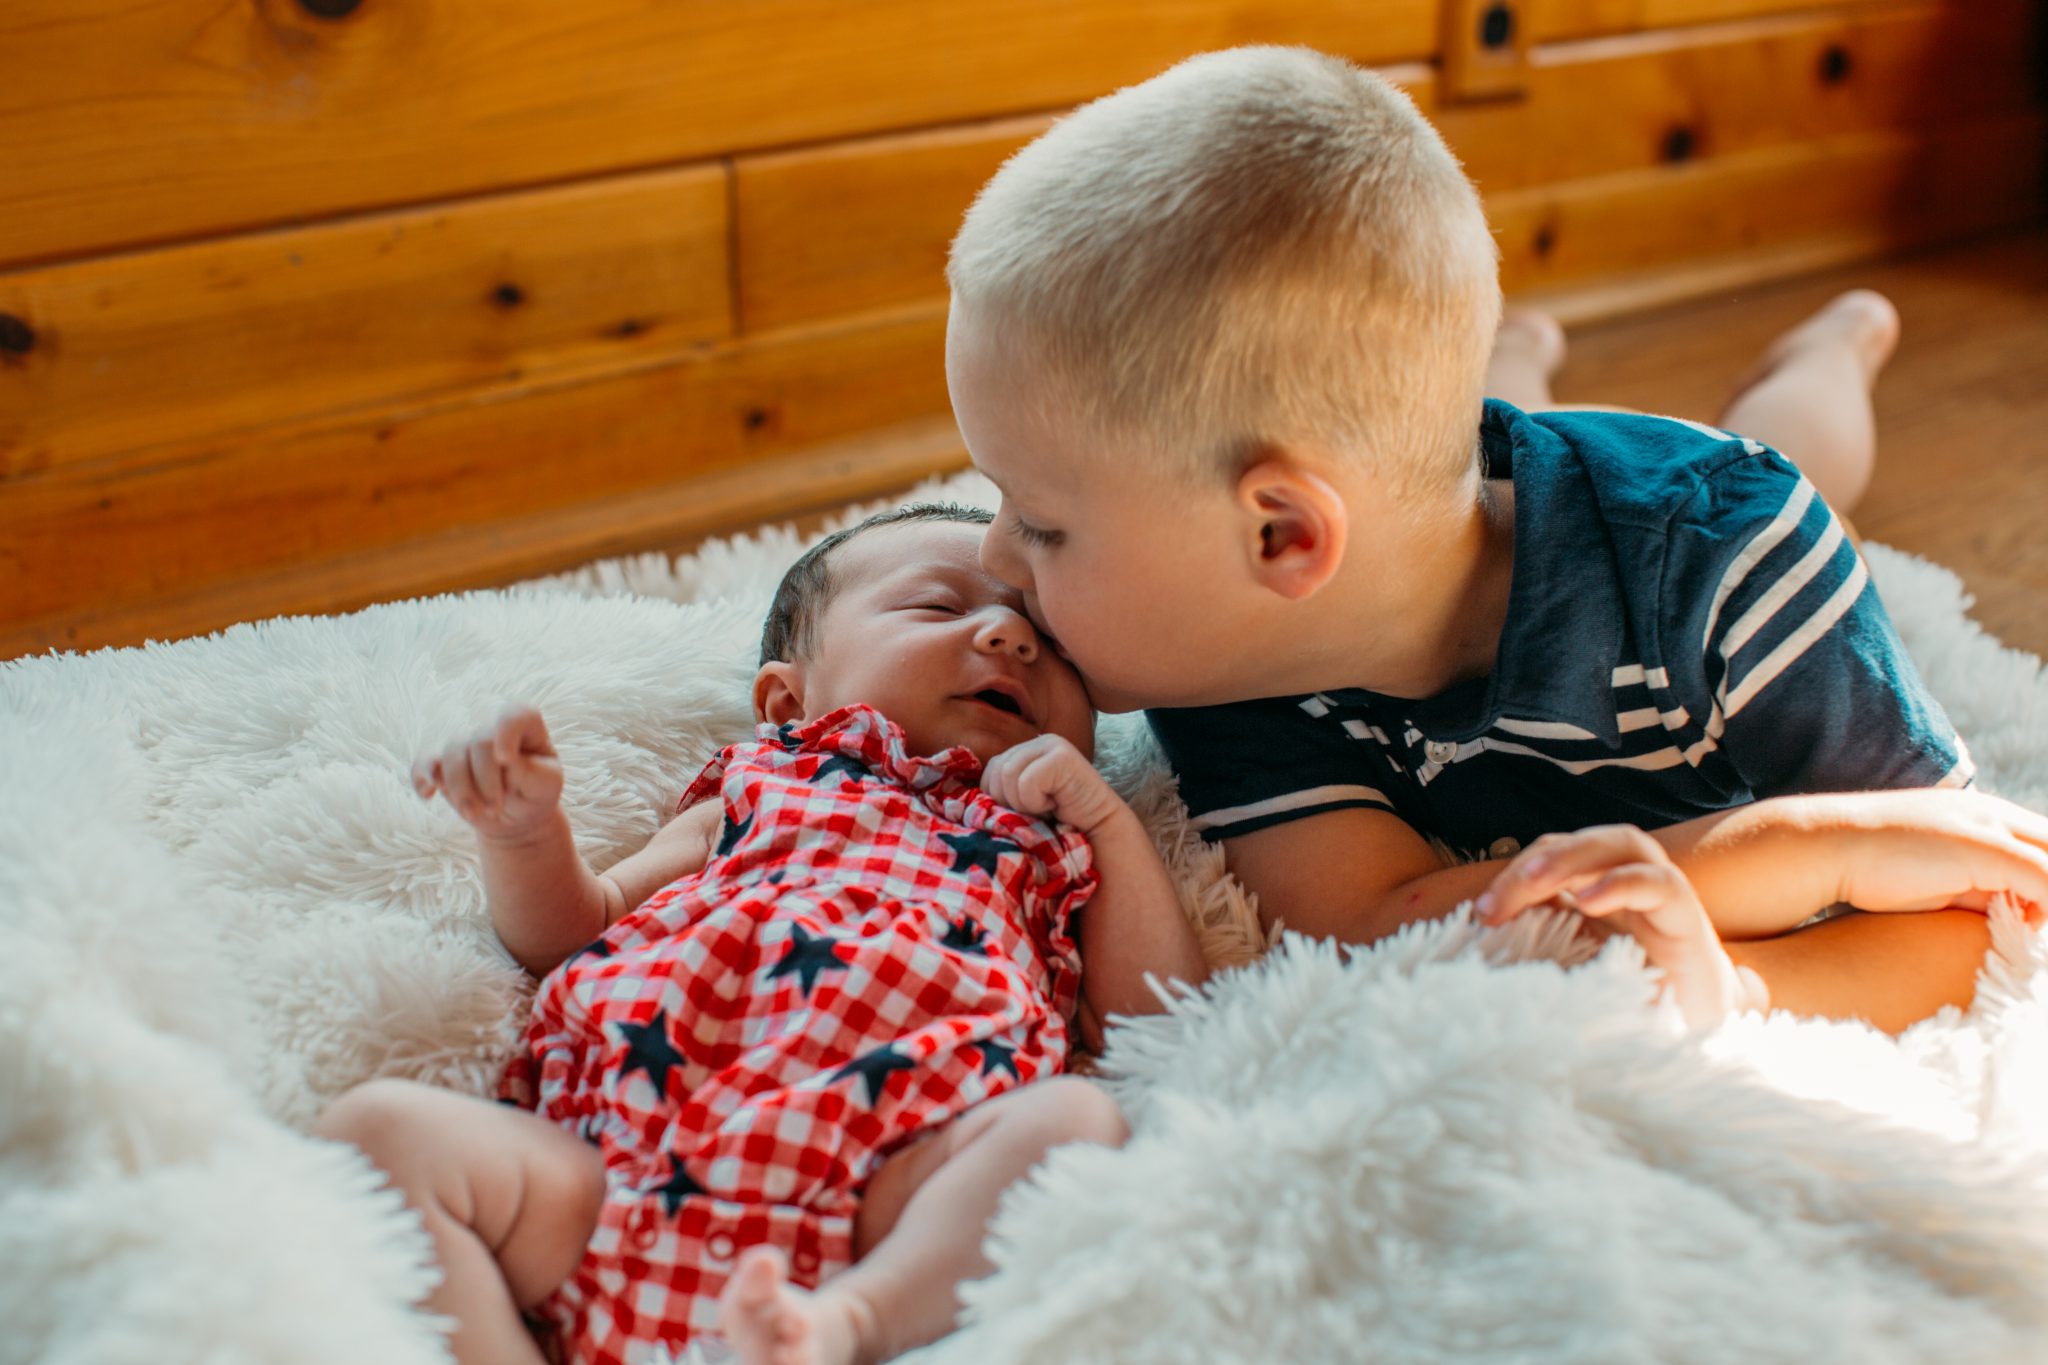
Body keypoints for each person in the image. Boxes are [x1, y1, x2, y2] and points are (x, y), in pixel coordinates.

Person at [941, 45, 2048, 1032]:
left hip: (1694, 500)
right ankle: (1513, 362)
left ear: (1280, 537)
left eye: (1038, 521)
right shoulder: (1211, 661)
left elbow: (1966, 898)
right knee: (1456, 447)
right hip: (1467, 488)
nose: (993, 560)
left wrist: (1746, 981)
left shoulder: (1733, 563)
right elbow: (1377, 919)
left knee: (1796, 449)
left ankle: (1838, 342)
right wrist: (1739, 864)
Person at [315, 504, 1208, 1365]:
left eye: (1048, 640)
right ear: (788, 699)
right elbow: (573, 930)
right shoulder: (769, 782)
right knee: (378, 1130)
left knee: (1076, 1122)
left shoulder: (1046, 834)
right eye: (940, 605)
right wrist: (523, 834)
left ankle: (854, 1325)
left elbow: (1157, 1015)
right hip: (618, 1164)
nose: (1010, 639)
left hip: (882, 1199)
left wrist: (1106, 820)